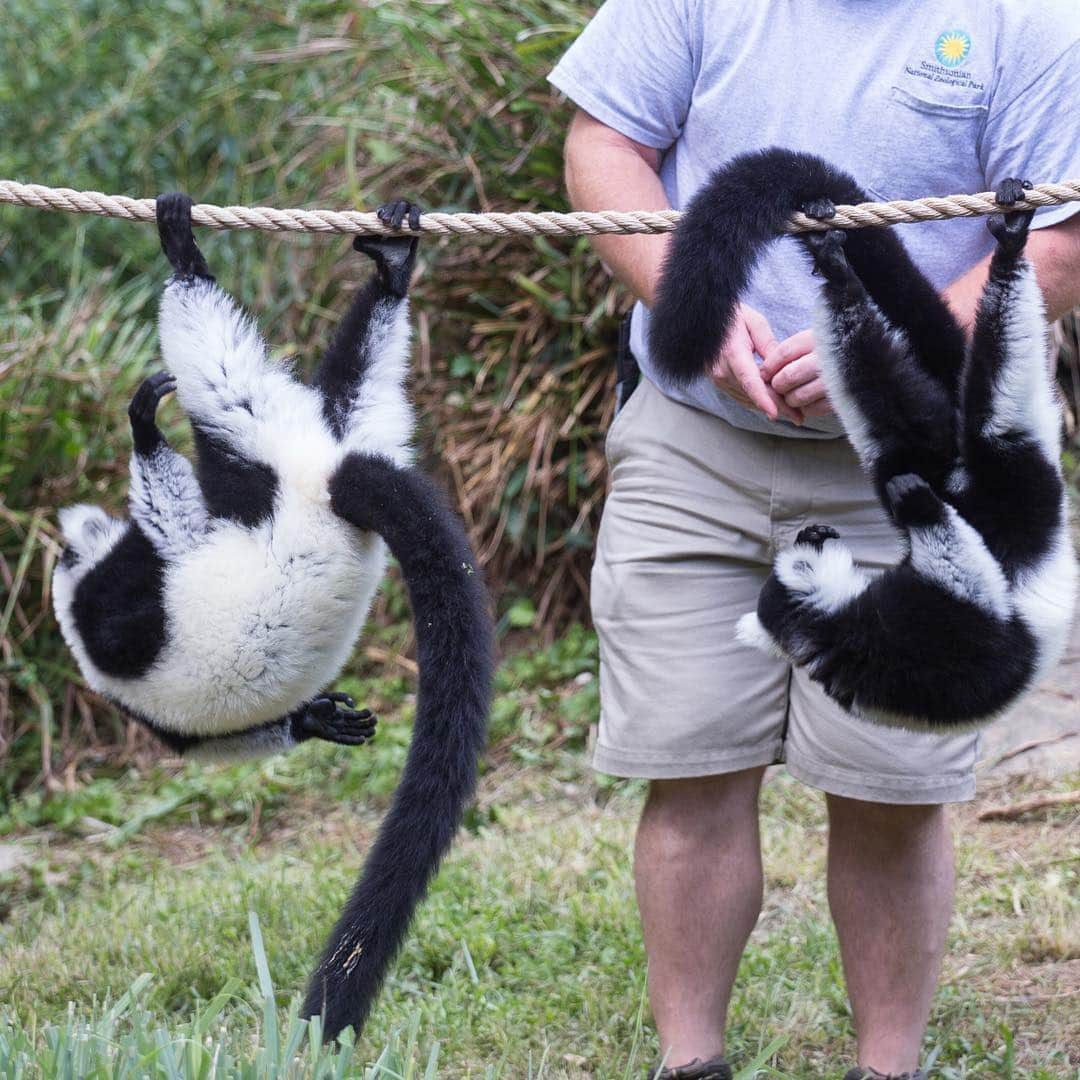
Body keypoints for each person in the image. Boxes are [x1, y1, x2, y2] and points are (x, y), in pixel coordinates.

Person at [548, 3, 1080, 1078]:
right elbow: (603, 142)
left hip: (927, 465)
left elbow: (1060, 244)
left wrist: (877, 353)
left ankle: (890, 1066)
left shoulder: (1031, 20)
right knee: (690, 767)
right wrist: (692, 303)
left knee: (892, 786)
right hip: (696, 437)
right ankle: (687, 1063)